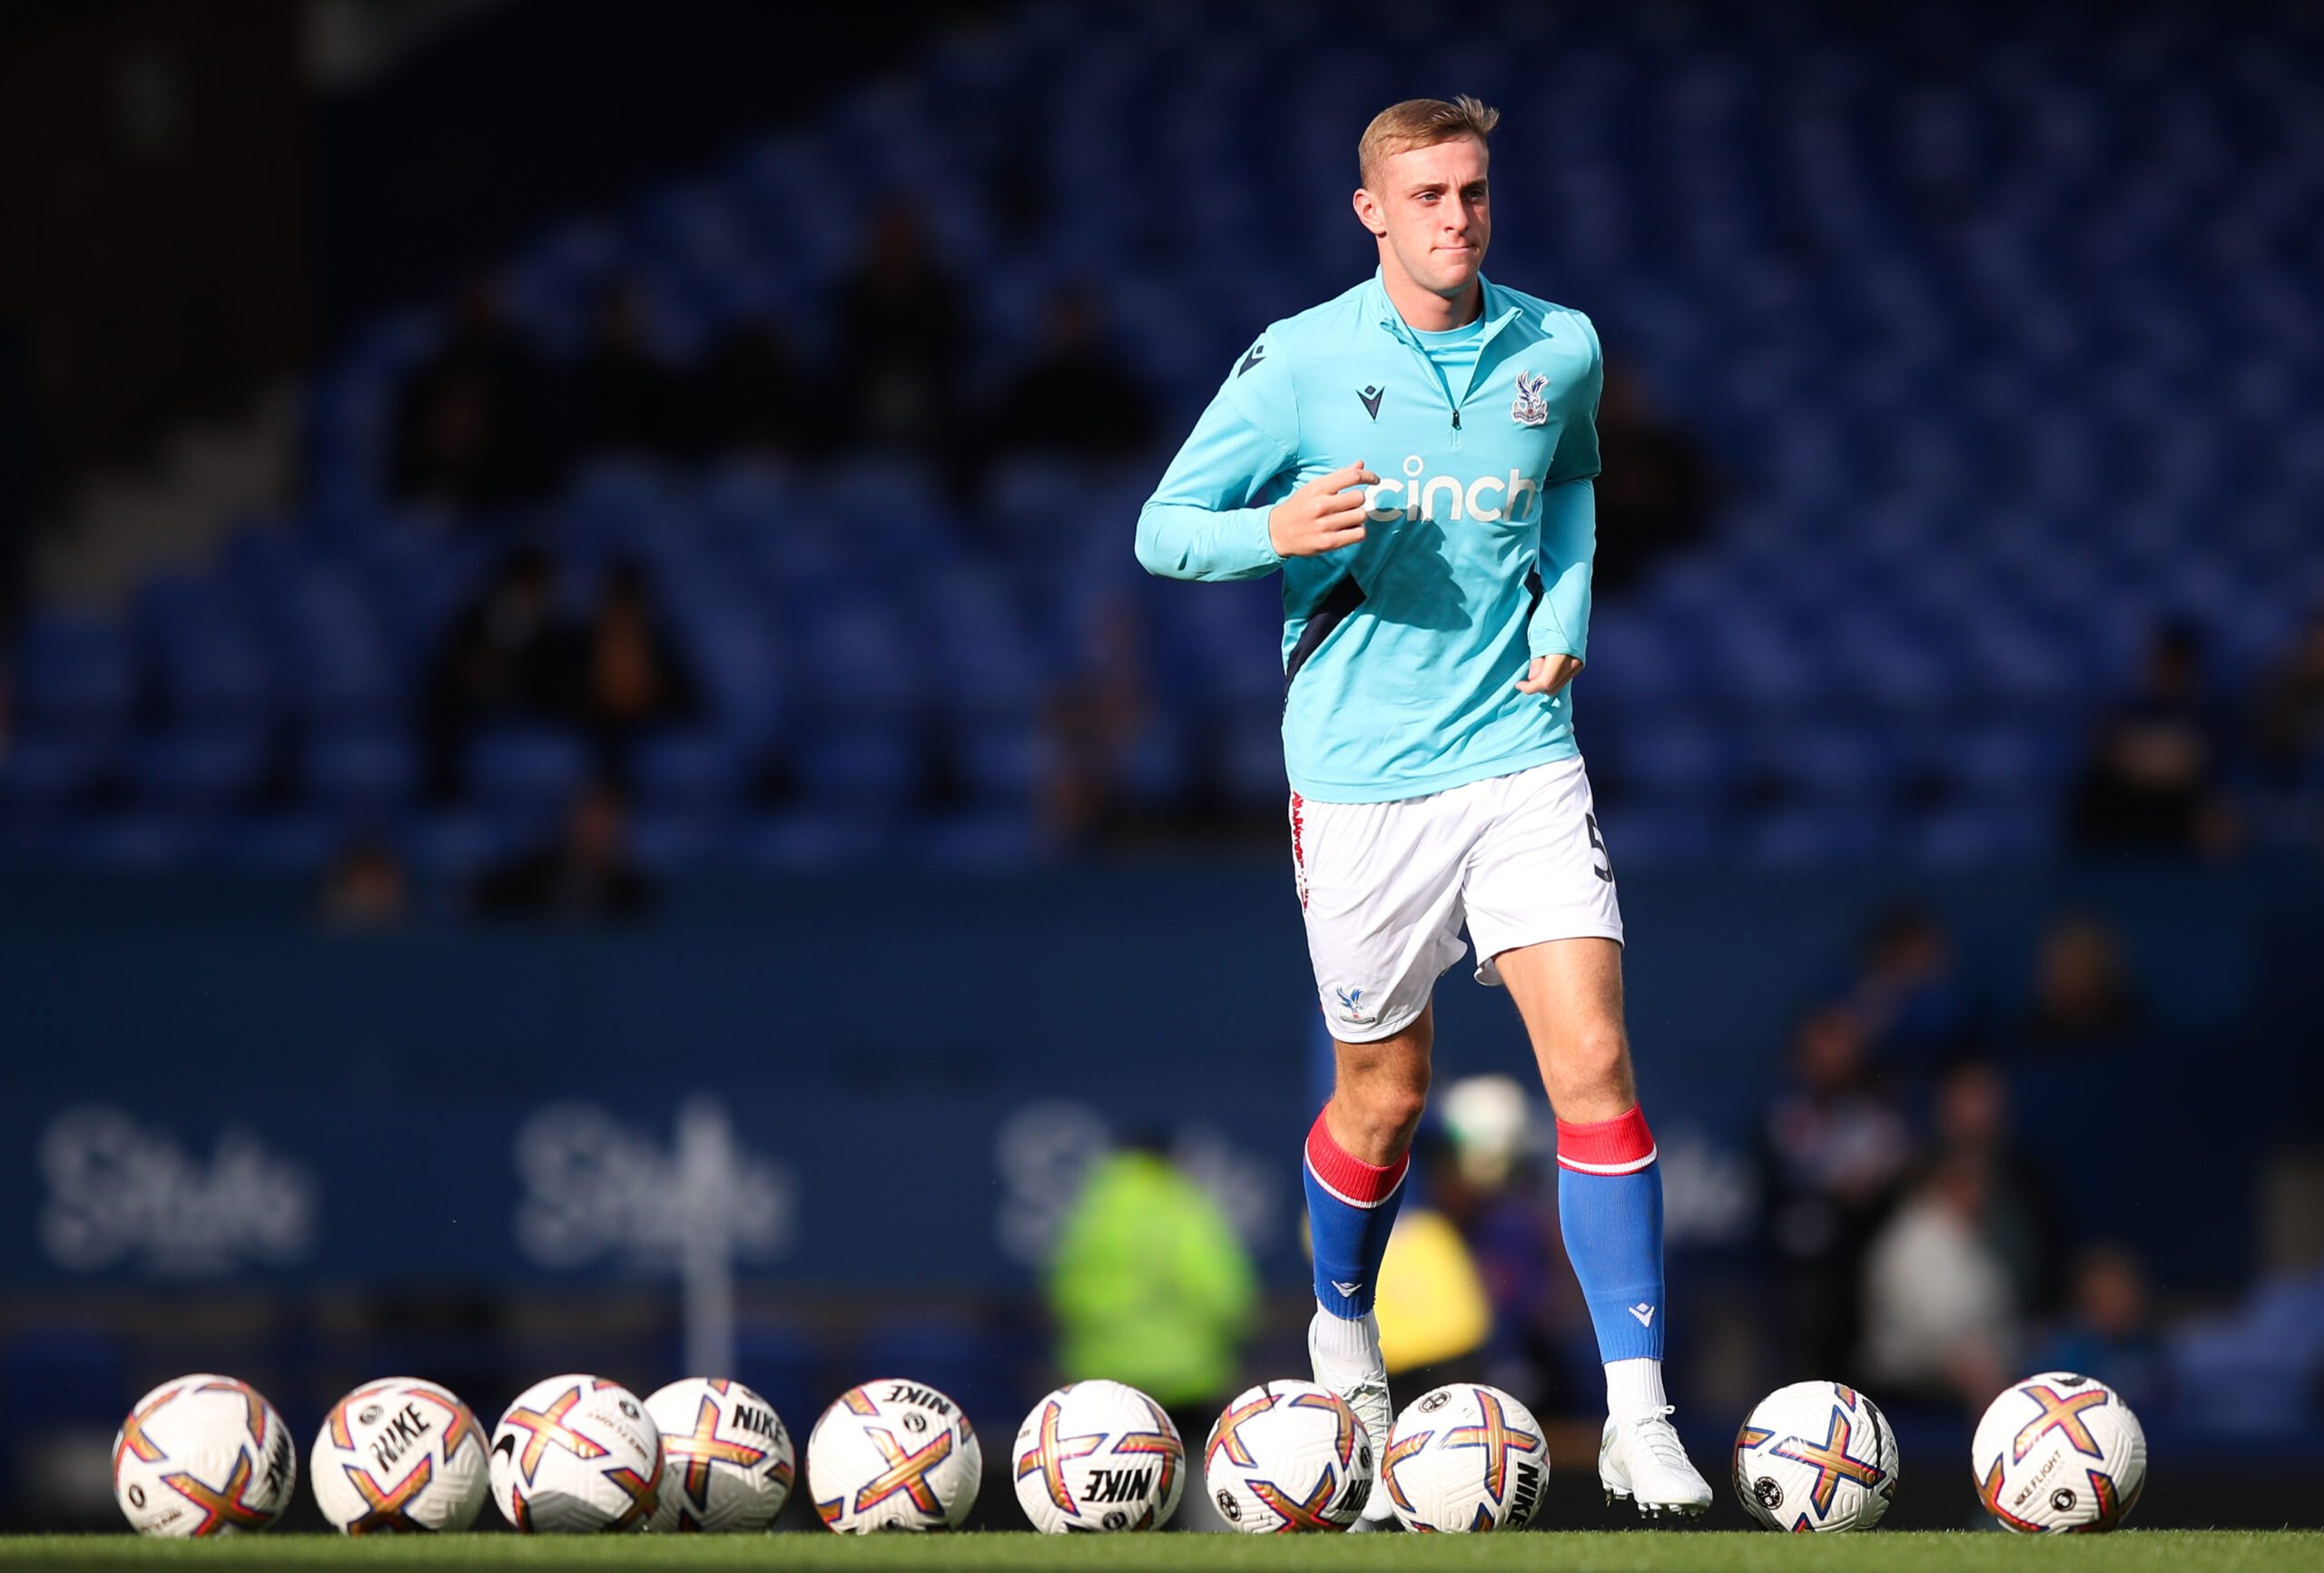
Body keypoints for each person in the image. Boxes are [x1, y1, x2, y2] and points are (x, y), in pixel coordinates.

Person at [1135, 96, 1710, 1519]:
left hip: (1521, 753)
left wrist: (1564, 612)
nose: (1459, 216)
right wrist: (1272, 529)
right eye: (1430, 195)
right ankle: (1344, 1328)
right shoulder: (1298, 362)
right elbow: (1161, 529)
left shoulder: (1559, 345)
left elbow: (1569, 489)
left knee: (1595, 1062)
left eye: (1474, 190)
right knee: (1384, 1100)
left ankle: (1641, 1419)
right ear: (1373, 212)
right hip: (1360, 781)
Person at [1045, 1133, 1256, 1461]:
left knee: (1115, 1476)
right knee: (1191, 1474)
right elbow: (1225, 1294)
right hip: (1187, 1380)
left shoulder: (1093, 1210)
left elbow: (1064, 1292)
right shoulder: (1184, 1207)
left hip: (1107, 1381)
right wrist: (1241, 1329)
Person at [469, 780, 653, 924]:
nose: (597, 832)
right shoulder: (529, 877)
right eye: (591, 819)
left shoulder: (632, 894)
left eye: (609, 821)